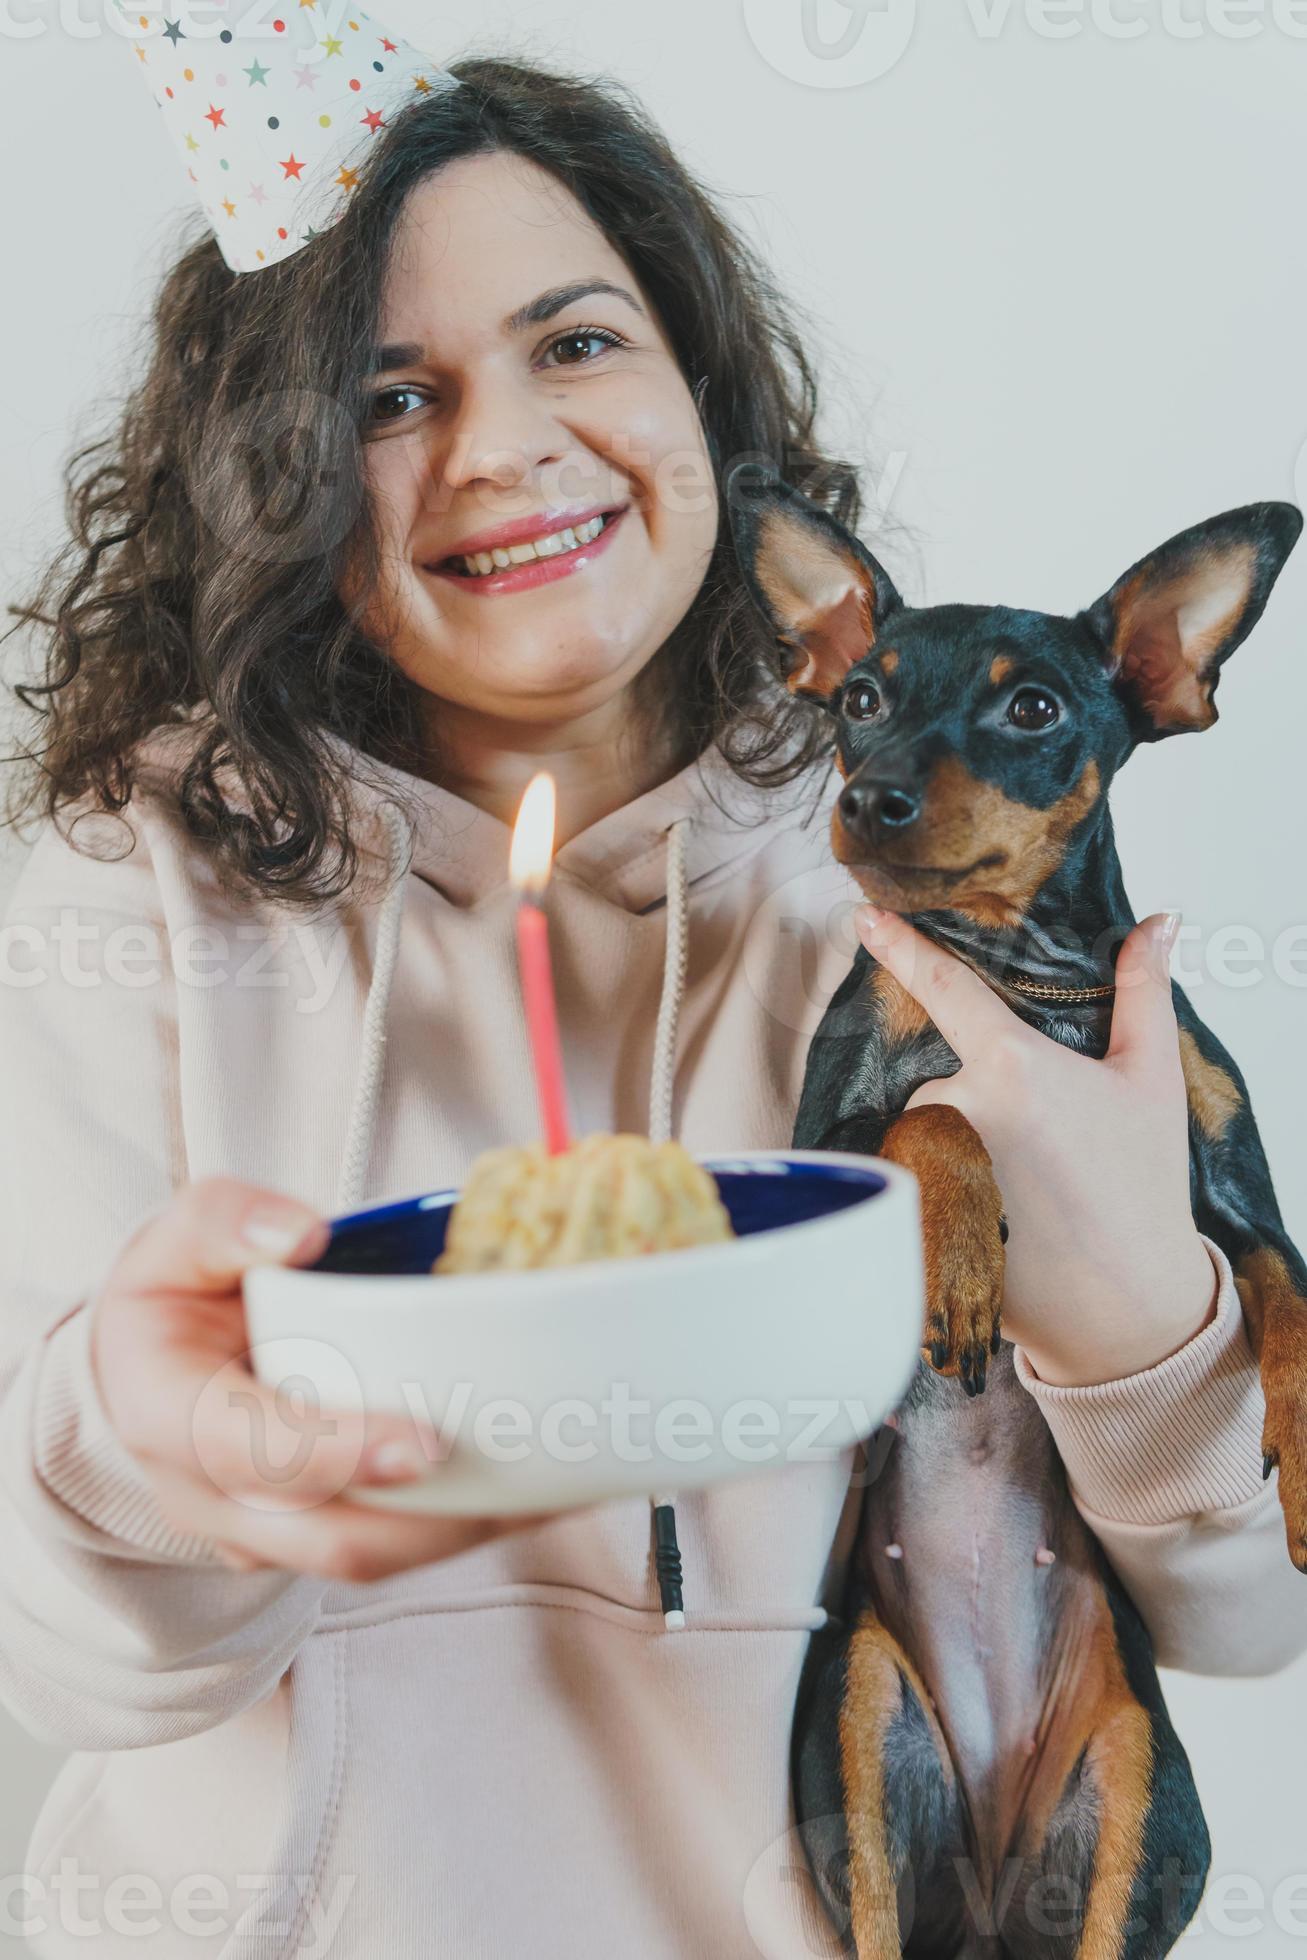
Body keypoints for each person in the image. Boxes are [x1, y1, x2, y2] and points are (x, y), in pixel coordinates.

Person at [0, 54, 1300, 1960]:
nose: (504, 446)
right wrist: (147, 1454)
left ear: (697, 378)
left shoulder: (926, 883)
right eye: (390, 394)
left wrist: (1137, 1322)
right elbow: (78, 1675)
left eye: (577, 341)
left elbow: (1249, 1627)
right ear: (280, 468)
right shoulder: (139, 884)